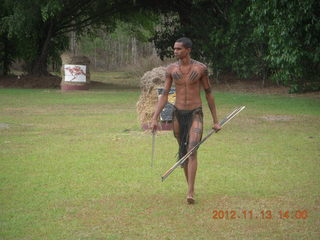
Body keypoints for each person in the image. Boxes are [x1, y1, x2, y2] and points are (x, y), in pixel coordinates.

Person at [151, 37, 221, 204]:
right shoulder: (171, 69)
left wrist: (216, 120)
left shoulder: (200, 69)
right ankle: (189, 186)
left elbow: (209, 93)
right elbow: (165, 95)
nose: (175, 51)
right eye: (174, 49)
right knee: (183, 153)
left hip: (195, 112)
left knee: (192, 150)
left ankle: (190, 192)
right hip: (177, 113)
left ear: (188, 50)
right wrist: (154, 118)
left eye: (179, 49)